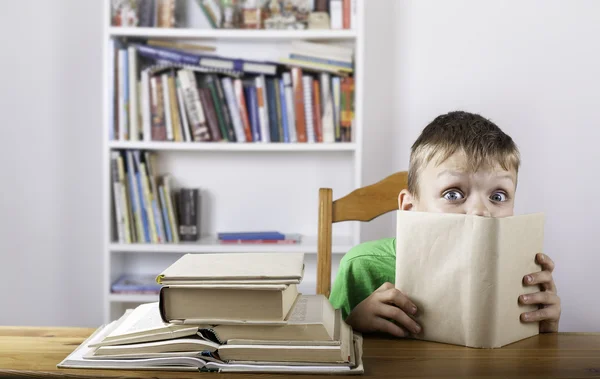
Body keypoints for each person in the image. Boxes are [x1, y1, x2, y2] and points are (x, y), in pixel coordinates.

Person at [328, 110, 561, 337]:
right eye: (453, 194)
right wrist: (353, 324)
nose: (480, 211)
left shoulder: (522, 271)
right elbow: (327, 349)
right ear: (409, 207)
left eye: (498, 196)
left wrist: (546, 328)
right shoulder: (361, 267)